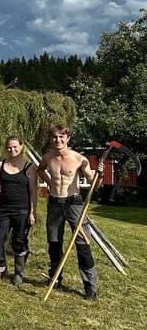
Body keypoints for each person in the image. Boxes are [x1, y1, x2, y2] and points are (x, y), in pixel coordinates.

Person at [37, 124, 102, 299]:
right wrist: (50, 183)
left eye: (61, 137)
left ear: (68, 138)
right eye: (54, 137)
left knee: (83, 244)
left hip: (74, 204)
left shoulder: (79, 159)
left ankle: (90, 287)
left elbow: (94, 183)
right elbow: (40, 170)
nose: (58, 140)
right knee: (54, 243)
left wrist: (100, 175)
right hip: (54, 204)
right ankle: (55, 279)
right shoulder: (48, 157)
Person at [0, 135, 36, 285]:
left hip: (22, 210)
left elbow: (33, 191)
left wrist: (32, 212)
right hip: (3, 209)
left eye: (15, 146)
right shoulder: (1, 164)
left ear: (21, 147)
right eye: (9, 147)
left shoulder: (29, 167)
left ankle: (18, 273)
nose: (12, 149)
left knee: (19, 240)